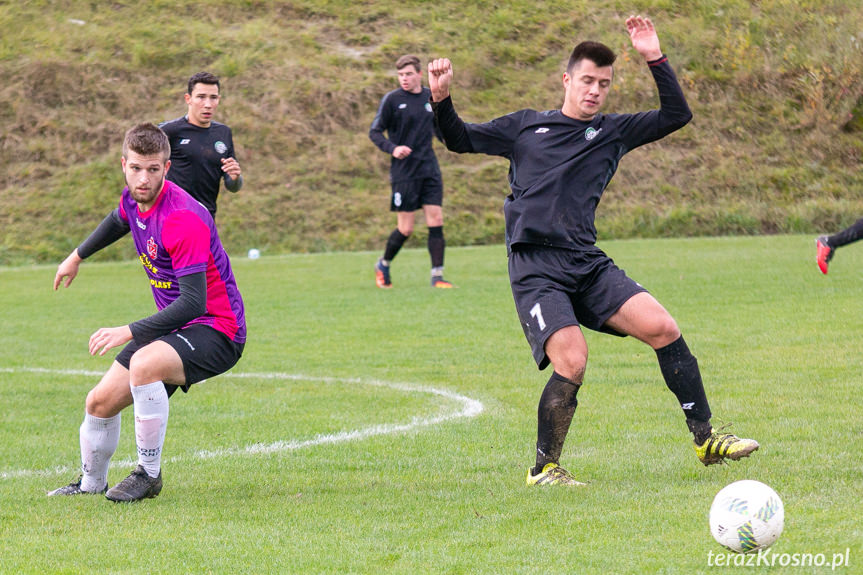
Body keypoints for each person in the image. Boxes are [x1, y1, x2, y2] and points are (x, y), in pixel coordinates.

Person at [428, 16, 759, 486]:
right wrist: (440, 98)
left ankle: (705, 439)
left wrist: (653, 56)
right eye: (587, 80)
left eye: (604, 83)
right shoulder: (525, 128)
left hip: (585, 261)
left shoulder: (613, 132)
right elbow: (459, 139)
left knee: (663, 328)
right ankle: (544, 468)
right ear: (567, 79)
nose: (595, 91)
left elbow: (675, 116)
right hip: (536, 267)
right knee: (573, 360)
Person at [48, 123, 246, 502]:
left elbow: (194, 302)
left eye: (153, 169)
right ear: (124, 164)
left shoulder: (182, 217)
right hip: (174, 325)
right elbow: (117, 221)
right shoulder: (132, 200)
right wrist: (76, 257)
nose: (143, 178)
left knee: (143, 365)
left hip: (217, 328)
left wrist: (128, 330)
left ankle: (148, 474)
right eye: (136, 168)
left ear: (166, 169)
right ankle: (90, 486)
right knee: (99, 403)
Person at [369, 54, 453, 289]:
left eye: (407, 74)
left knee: (436, 219)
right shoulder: (392, 100)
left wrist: (455, 142)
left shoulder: (429, 96)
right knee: (406, 228)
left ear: (418, 74)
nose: (403, 79)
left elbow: (439, 129)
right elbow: (375, 132)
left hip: (429, 169)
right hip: (404, 172)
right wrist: (393, 149)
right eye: (400, 75)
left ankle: (438, 276)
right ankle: (383, 264)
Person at [160, 71, 243, 218]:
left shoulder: (223, 133)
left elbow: (232, 185)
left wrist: (235, 177)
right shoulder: (169, 131)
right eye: (201, 97)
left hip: (206, 218)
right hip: (173, 217)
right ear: (188, 98)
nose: (208, 104)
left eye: (213, 98)